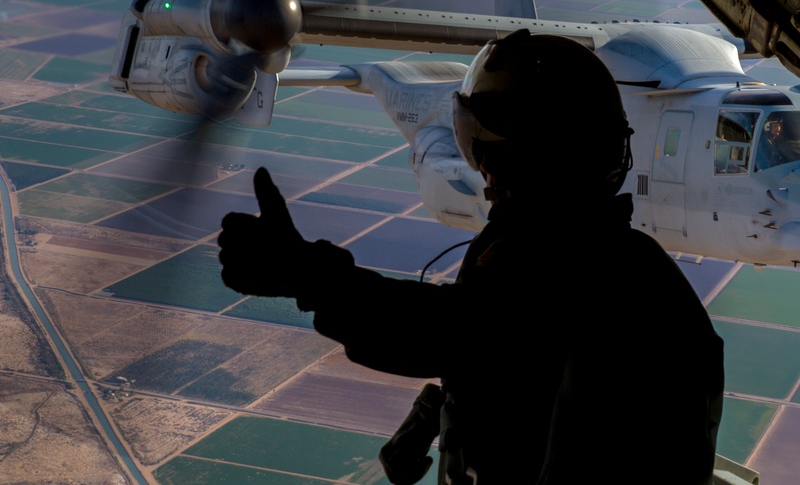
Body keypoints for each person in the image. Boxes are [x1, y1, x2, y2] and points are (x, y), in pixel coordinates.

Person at [218, 30, 724, 484]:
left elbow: (453, 332)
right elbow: (490, 354)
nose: (483, 169)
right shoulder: (616, 261)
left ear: (539, 161)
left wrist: (310, 274)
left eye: (493, 151)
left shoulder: (582, 274)